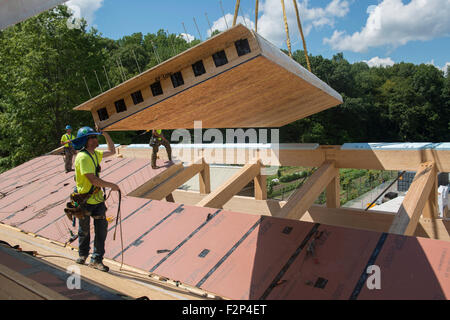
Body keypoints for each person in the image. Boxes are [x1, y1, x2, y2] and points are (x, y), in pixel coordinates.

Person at [71, 125, 120, 272]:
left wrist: (105, 134)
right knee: (84, 230)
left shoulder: (94, 154)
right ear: (85, 141)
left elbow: (112, 150)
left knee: (101, 231)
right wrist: (112, 185)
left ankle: (96, 259)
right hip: (85, 201)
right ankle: (83, 254)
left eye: (94, 137)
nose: (94, 140)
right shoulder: (83, 157)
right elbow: (93, 180)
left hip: (97, 200)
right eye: (91, 137)